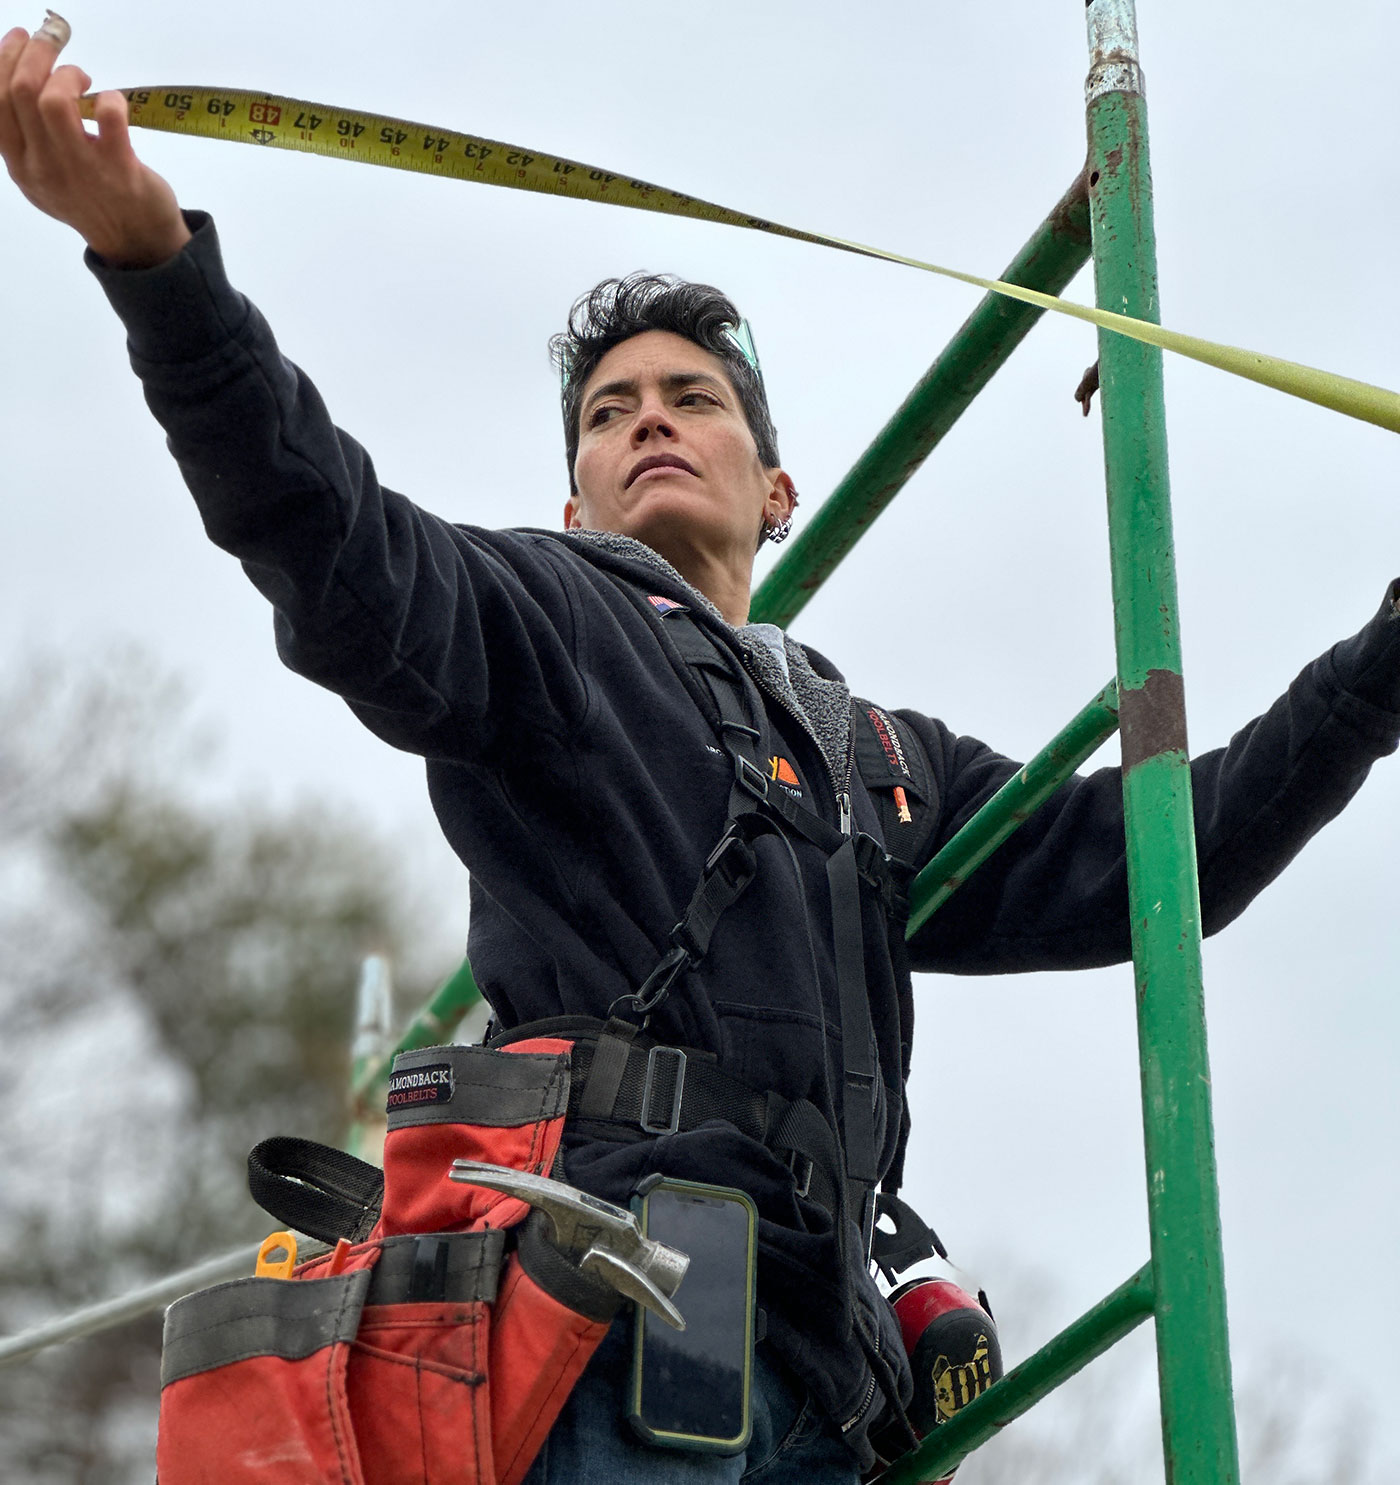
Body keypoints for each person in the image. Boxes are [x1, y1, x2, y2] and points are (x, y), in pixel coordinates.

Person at [4, 20, 1399, 1483]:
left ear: (777, 484)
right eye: (611, 414)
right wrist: (161, 274)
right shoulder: (545, 616)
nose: (650, 419)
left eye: (693, 399)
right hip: (605, 1320)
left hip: (819, 1375)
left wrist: (1379, 665)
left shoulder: (873, 755)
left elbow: (1165, 860)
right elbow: (332, 545)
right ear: (575, 497)